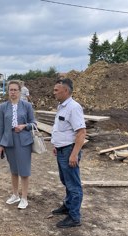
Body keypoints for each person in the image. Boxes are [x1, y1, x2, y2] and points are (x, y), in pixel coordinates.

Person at [50, 78, 86, 228]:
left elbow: (81, 132)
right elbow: (62, 128)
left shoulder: (73, 107)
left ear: (66, 91)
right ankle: (68, 205)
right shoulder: (61, 106)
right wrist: (56, 145)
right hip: (61, 150)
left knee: (73, 184)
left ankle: (74, 217)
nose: (54, 93)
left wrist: (74, 154)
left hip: (69, 151)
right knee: (66, 181)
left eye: (56, 90)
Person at [0, 80, 36, 209]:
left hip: (24, 141)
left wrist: (24, 126)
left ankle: (24, 197)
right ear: (8, 91)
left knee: (24, 171)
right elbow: (1, 127)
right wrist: (0, 144)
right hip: (9, 141)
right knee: (14, 170)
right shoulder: (3, 107)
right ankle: (15, 195)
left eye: (15, 90)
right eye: (11, 90)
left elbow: (34, 124)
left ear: (20, 91)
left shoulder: (27, 106)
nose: (13, 92)